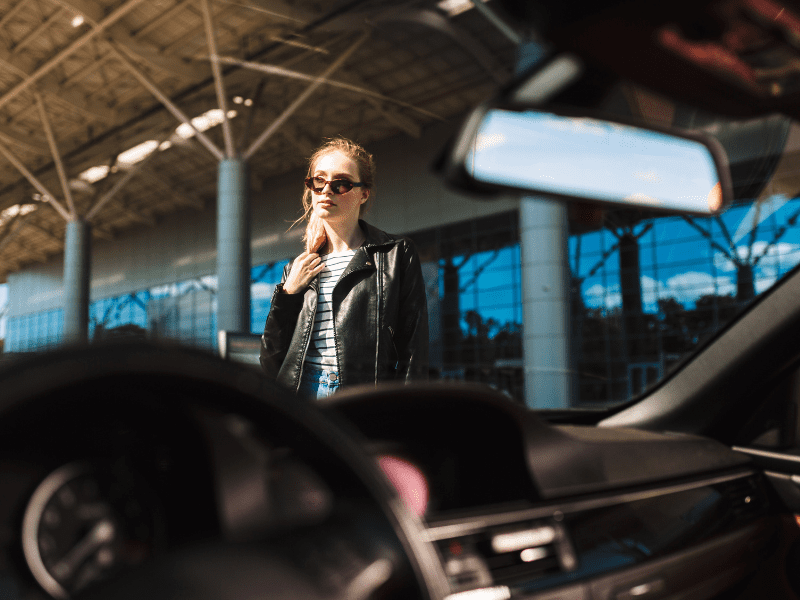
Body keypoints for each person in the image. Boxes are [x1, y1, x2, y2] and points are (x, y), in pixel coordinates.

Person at [260, 138, 428, 399]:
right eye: (319, 181)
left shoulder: (395, 254)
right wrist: (288, 293)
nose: (327, 190)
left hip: (361, 397)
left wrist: (403, 412)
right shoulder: (299, 266)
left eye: (341, 183)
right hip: (300, 394)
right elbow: (271, 359)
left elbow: (413, 348)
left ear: (363, 193)